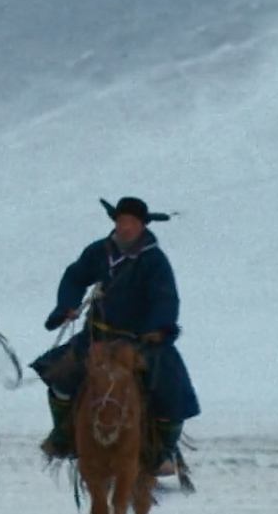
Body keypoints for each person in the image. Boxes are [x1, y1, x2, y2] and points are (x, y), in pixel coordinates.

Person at [31, 196, 199, 474]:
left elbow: (165, 298)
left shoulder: (154, 260)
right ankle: (62, 435)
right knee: (59, 374)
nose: (125, 227)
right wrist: (67, 305)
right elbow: (74, 277)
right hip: (97, 337)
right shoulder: (99, 252)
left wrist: (157, 328)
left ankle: (163, 452)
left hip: (140, 341)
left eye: (132, 222)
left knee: (172, 386)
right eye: (121, 221)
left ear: (142, 226)